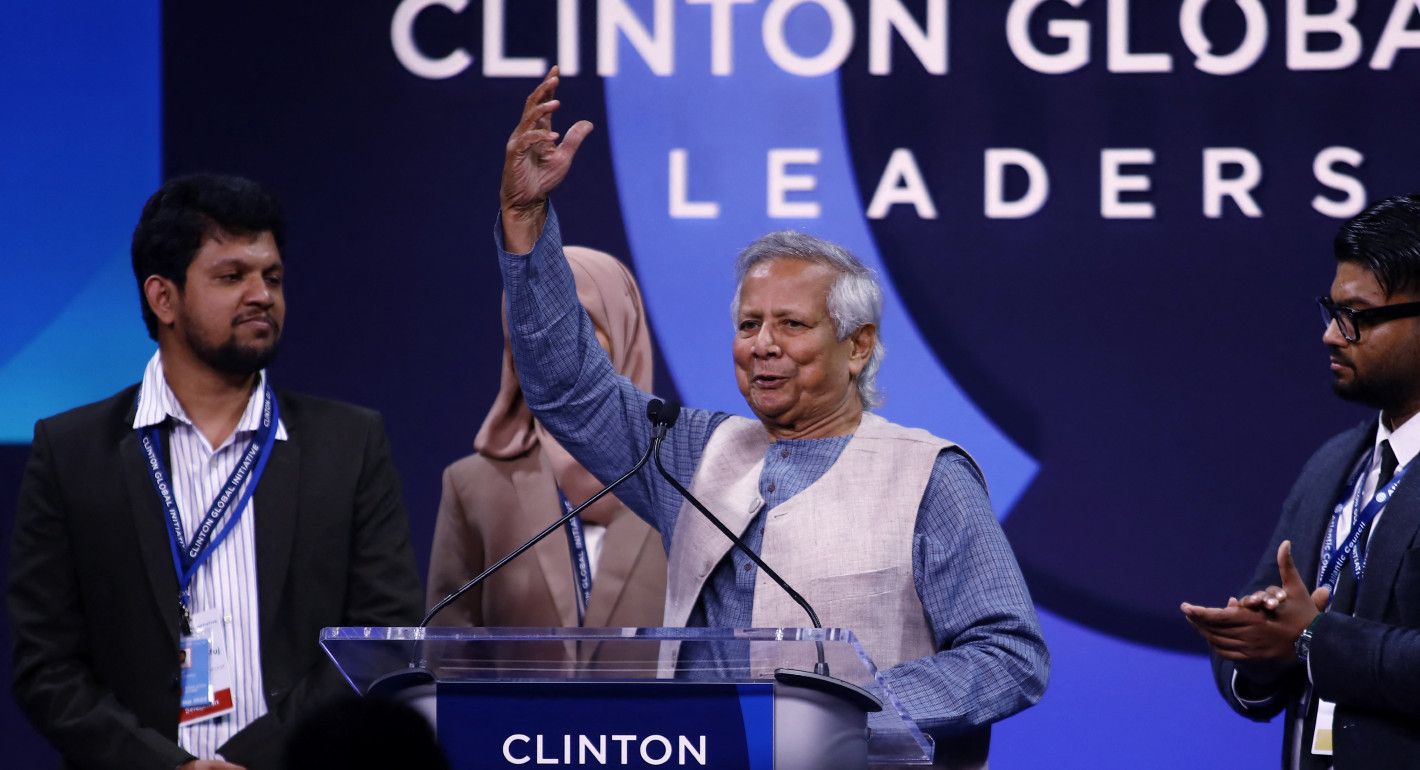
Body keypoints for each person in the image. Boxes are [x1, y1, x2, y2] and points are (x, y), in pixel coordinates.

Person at [491, 68, 1048, 768]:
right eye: (749, 324)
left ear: (858, 346)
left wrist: (850, 710)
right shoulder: (689, 452)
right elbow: (566, 388)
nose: (763, 344)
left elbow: (1008, 653)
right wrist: (526, 223)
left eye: (791, 324)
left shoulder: (927, 477)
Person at [7, 174, 423, 770]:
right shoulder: (72, 453)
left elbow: (382, 639)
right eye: (232, 277)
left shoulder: (349, 444)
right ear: (163, 298)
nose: (262, 295)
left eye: (272, 277)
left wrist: (259, 760)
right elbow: (46, 666)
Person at [1182, 194, 1420, 769]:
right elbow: (1271, 633)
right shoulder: (1333, 464)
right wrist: (1256, 647)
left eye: (1357, 316)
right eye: (1332, 311)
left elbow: (1309, 635)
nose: (1332, 335)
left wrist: (1312, 640)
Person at [425, 245, 667, 663]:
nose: (554, 345)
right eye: (534, 328)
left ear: (623, 327)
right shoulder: (474, 487)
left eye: (577, 322)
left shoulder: (686, 481)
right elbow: (447, 661)